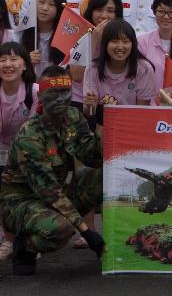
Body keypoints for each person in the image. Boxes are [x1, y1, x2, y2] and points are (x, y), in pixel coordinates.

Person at [0, 66, 105, 276]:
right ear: (40, 95)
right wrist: (87, 231)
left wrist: (102, 124)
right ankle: (26, 246)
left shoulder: (73, 116)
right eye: (52, 94)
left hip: (55, 194)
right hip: (20, 202)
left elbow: (93, 158)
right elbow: (48, 190)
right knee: (62, 229)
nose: (60, 100)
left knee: (104, 176)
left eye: (64, 93)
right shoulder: (30, 135)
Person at [0, 43, 37, 260]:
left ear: (24, 65)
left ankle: (23, 239)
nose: (8, 64)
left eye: (14, 59)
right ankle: (6, 237)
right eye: (3, 59)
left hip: (26, 153)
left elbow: (32, 134)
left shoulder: (34, 92)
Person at [82, 20, 157, 123]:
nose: (120, 47)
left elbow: (142, 112)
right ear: (105, 43)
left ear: (133, 44)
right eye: (114, 41)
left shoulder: (144, 69)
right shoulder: (92, 68)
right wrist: (90, 105)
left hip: (134, 124)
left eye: (126, 41)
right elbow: (89, 112)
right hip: (103, 124)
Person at [67, 0, 124, 108]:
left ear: (117, 14)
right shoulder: (79, 33)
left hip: (111, 100)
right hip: (81, 99)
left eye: (110, 10)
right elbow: (76, 75)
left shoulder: (122, 38)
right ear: (91, 11)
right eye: (98, 10)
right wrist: (93, 39)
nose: (104, 15)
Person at [19, 0, 66, 76]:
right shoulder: (22, 30)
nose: (45, 8)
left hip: (54, 87)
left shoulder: (64, 35)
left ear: (59, 8)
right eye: (41, 2)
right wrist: (27, 63)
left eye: (51, 4)